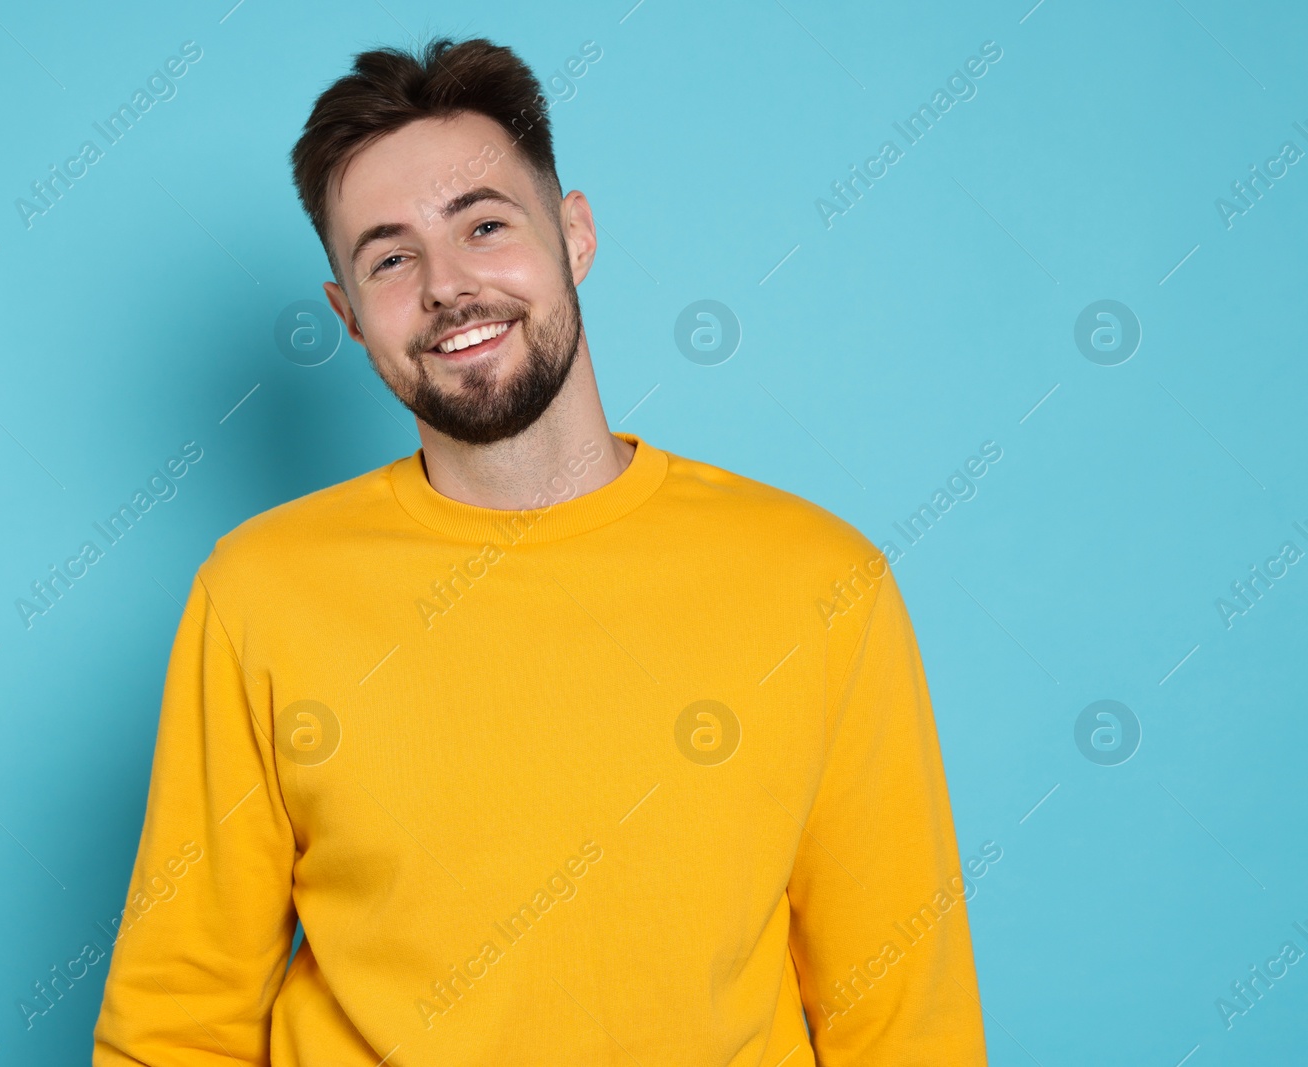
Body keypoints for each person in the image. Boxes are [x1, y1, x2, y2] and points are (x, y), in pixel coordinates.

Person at [93, 35, 987, 1066]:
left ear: (575, 234)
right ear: (348, 314)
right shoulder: (259, 592)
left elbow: (902, 1016)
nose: (446, 286)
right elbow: (175, 1017)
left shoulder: (821, 580)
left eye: (483, 223)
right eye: (389, 257)